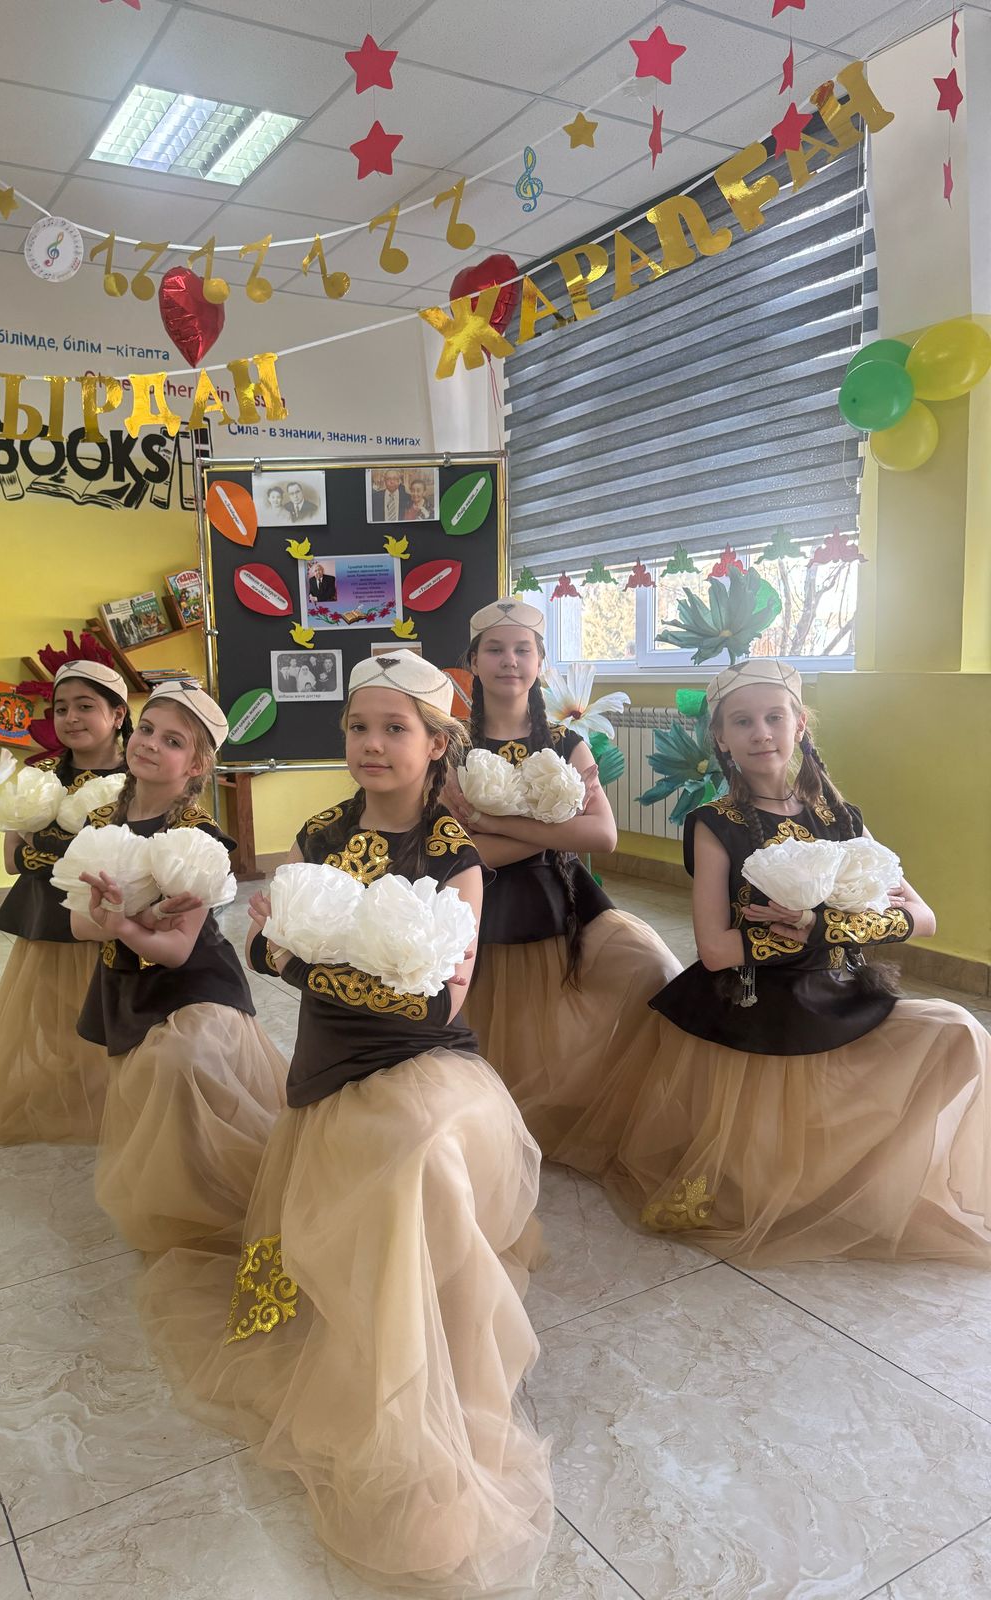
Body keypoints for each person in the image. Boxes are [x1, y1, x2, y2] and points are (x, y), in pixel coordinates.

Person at [138, 651, 552, 1596]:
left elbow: (438, 1004)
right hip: (331, 1067)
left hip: (426, 1063)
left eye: (395, 728)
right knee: (374, 1171)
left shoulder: (454, 854)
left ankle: (426, 1367)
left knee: (418, 1155)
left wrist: (304, 961)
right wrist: (299, 958)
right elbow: (261, 942)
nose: (372, 744)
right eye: (359, 727)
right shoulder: (321, 832)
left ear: (436, 744)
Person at [600, 656, 991, 1265]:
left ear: (799, 724)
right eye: (742, 721)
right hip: (759, 1005)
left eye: (774, 717)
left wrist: (821, 927)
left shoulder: (841, 818)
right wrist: (806, 935)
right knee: (759, 1173)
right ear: (721, 739)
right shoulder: (714, 824)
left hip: (840, 990)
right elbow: (716, 949)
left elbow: (924, 918)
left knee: (960, 1032)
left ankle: (877, 1176)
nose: (761, 733)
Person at [446, 599, 681, 1170]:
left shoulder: (567, 743)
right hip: (485, 899)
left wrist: (497, 824)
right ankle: (501, 1125)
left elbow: (603, 835)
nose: (509, 661)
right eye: (494, 650)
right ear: (474, 661)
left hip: (562, 894)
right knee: (507, 1025)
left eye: (522, 650)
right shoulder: (450, 747)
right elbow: (462, 852)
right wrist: (552, 831)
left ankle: (594, 1101)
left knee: (652, 966)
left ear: (541, 663)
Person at [72, 681, 287, 1254]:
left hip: (193, 981)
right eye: (146, 729)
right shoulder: (101, 820)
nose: (149, 743)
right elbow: (78, 923)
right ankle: (182, 1192)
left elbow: (176, 949)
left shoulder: (196, 837)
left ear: (195, 766)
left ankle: (232, 1198)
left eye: (172, 741)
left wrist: (122, 923)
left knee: (185, 1065)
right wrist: (121, 920)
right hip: (126, 980)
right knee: (153, 1095)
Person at [0, 659, 130, 1145]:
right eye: (61, 708)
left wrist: (45, 848)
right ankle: (77, 1097)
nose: (71, 717)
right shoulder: (39, 775)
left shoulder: (137, 778)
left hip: (109, 921)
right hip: (47, 918)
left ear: (118, 714)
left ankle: (119, 1099)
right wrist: (65, 853)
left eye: (85, 706)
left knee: (113, 1012)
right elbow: (11, 859)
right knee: (56, 1016)